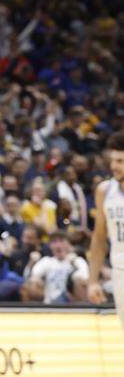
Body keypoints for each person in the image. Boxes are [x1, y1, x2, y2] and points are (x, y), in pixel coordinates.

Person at [87, 132, 124, 328]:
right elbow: (99, 238)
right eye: (113, 160)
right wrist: (93, 281)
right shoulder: (104, 191)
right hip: (120, 271)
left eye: (120, 161)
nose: (114, 166)